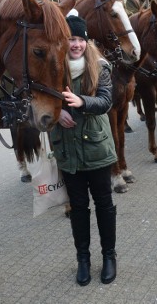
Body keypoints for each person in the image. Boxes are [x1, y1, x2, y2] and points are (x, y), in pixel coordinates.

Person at [51, 15, 118, 287]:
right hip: (67, 150)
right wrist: (57, 114)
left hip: (96, 147)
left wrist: (81, 102)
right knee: (78, 208)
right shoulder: (52, 67)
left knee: (104, 204)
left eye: (80, 39)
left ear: (87, 41)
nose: (76, 44)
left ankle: (109, 256)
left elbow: (105, 101)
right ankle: (83, 259)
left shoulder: (99, 66)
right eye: (71, 39)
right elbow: (39, 101)